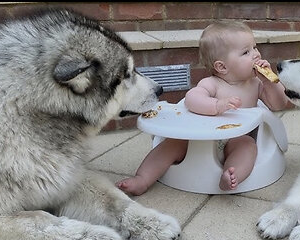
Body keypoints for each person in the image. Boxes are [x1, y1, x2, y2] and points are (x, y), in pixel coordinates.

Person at [116, 21, 289, 196]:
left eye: (255, 47)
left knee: (248, 147)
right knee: (171, 145)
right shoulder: (212, 84)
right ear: (221, 66)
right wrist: (217, 105)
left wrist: (269, 82)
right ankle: (142, 178)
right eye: (246, 52)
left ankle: (231, 174)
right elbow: (192, 99)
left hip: (236, 139)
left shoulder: (256, 84)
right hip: (199, 140)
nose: (256, 55)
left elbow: (278, 104)